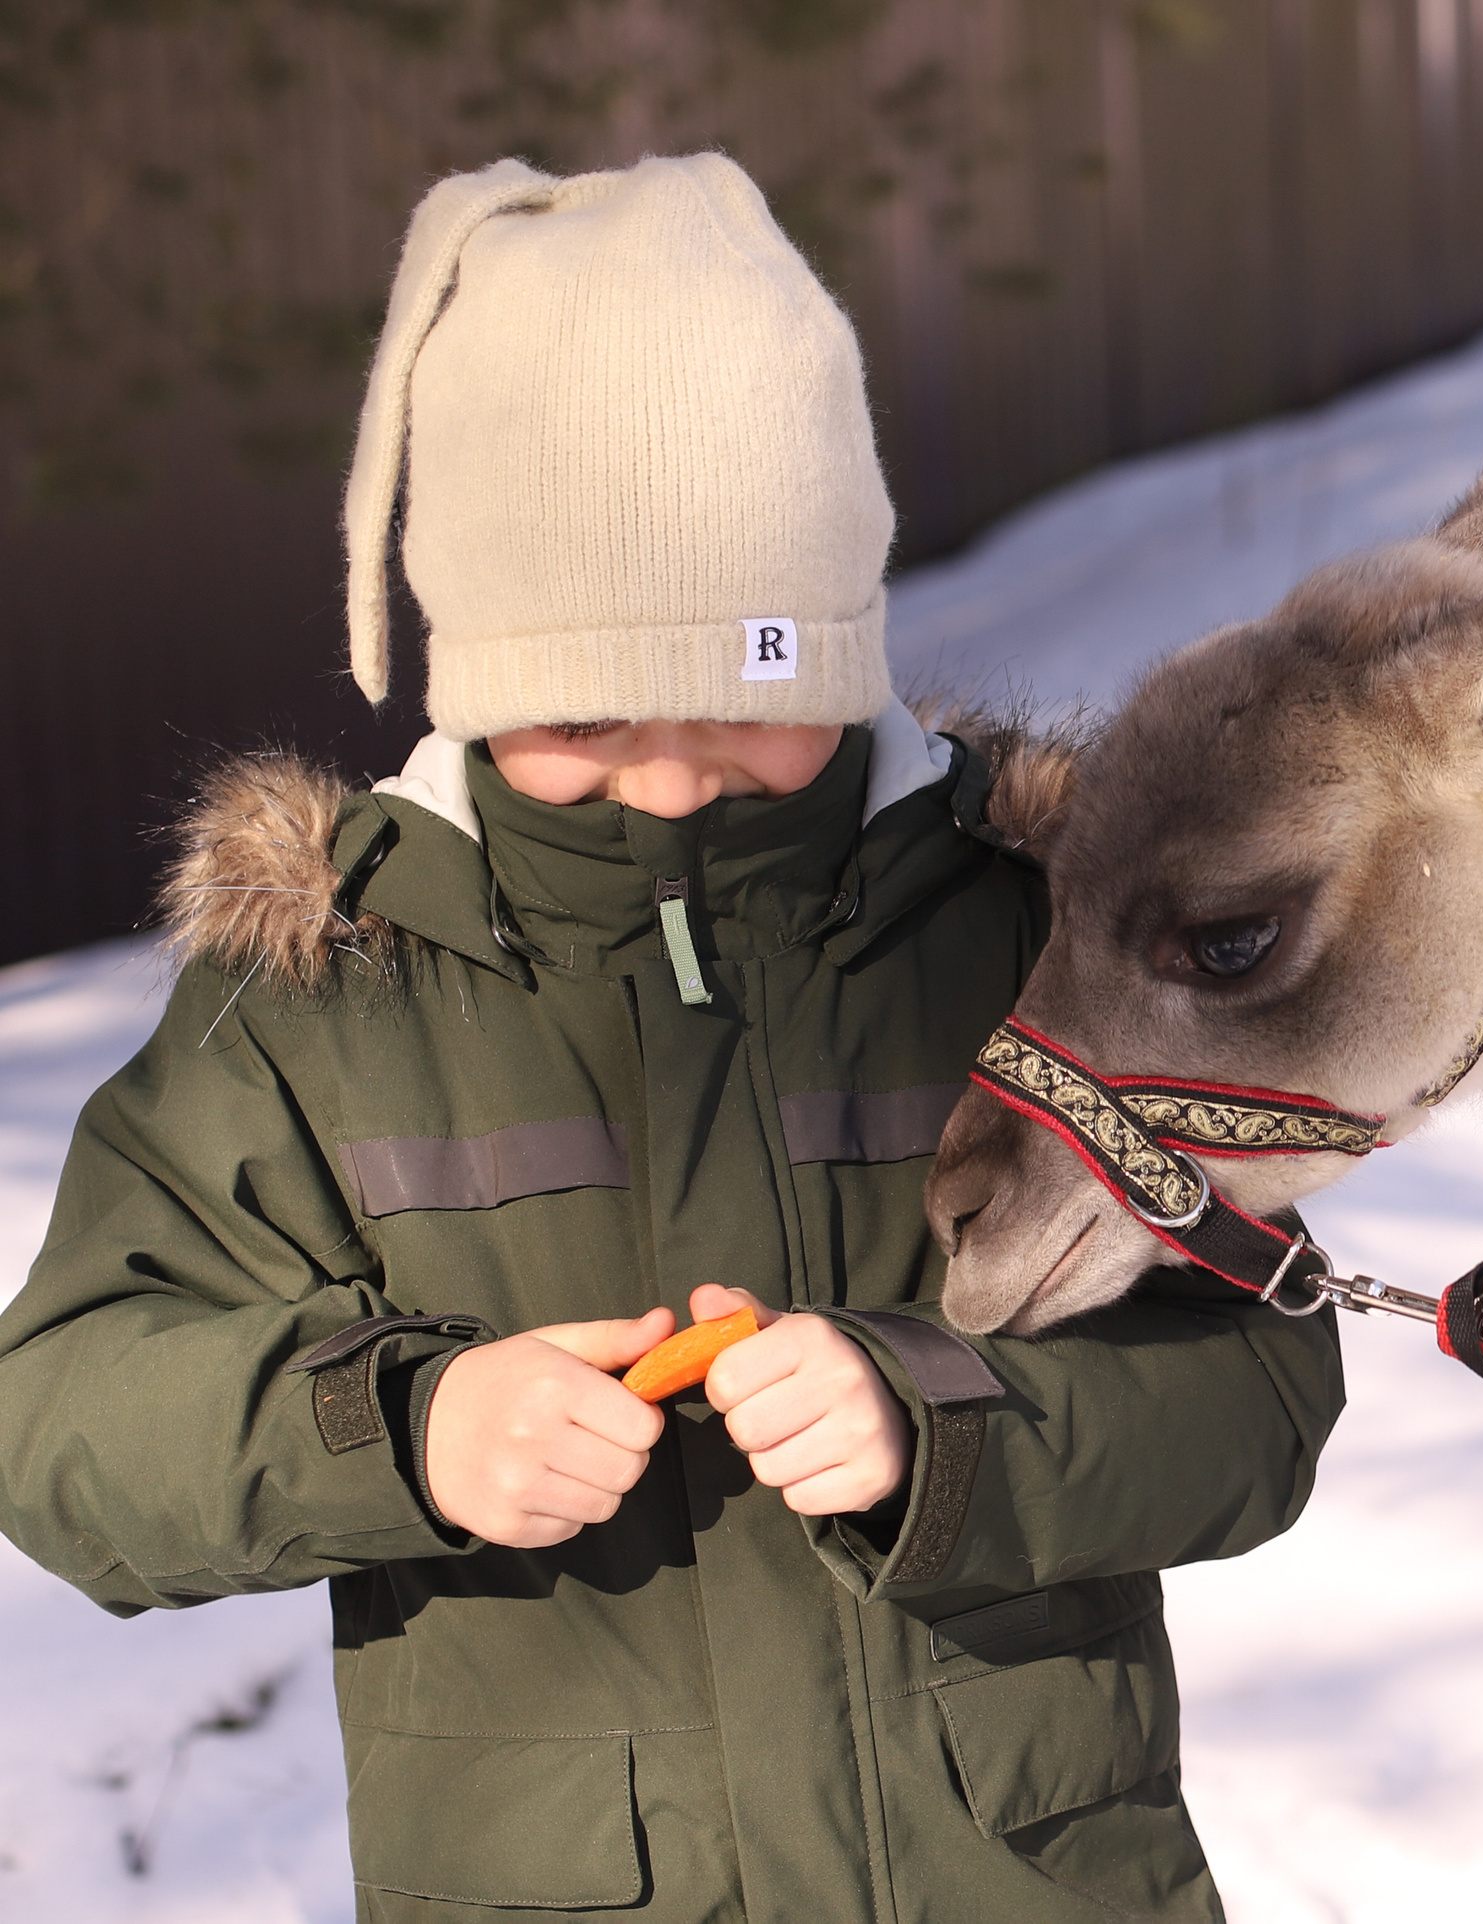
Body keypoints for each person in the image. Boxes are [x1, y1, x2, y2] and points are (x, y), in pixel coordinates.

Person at [0, 153, 1343, 1921]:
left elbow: (1258, 1381)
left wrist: (946, 1427)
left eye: (745, 695)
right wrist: (404, 1426)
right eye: (582, 711)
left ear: (836, 647)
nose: (670, 779)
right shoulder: (326, 1002)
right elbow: (63, 1422)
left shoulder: (1029, 934)